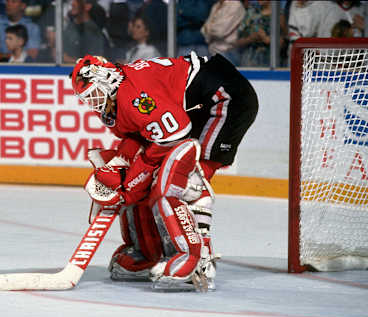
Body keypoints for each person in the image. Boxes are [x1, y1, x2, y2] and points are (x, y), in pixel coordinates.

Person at [70, 52, 258, 291]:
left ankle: (199, 261)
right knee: (154, 178)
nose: (92, 101)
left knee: (187, 181)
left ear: (107, 79)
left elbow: (173, 134)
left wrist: (133, 182)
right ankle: (148, 253)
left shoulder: (133, 95)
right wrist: (123, 165)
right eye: (86, 97)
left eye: (94, 93)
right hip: (200, 102)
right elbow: (141, 135)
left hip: (225, 98)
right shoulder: (119, 95)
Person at [236, 0, 287, 67]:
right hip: (248, 63)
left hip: (270, 64)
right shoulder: (251, 12)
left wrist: (268, 40)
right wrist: (251, 39)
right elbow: (237, 42)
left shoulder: (279, 15)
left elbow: (285, 43)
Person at [200, 0, 245, 65]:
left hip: (228, 52)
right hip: (212, 51)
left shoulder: (235, 4)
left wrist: (208, 29)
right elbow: (203, 30)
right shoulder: (216, 5)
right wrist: (210, 29)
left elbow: (219, 32)